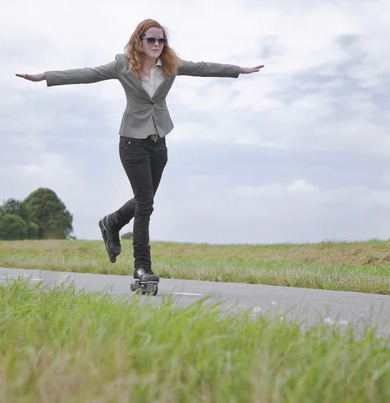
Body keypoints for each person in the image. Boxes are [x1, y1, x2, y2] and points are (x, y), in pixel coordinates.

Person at [16, 18, 265, 287]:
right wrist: (44, 77)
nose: (157, 44)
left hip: (159, 143)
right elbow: (87, 73)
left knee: (143, 200)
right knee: (145, 204)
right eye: (152, 40)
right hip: (132, 143)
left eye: (161, 40)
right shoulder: (122, 65)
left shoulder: (171, 65)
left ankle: (111, 223)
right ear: (140, 41)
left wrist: (239, 70)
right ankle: (142, 268)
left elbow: (203, 68)